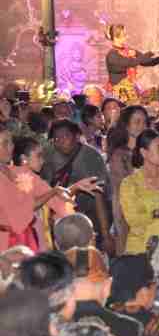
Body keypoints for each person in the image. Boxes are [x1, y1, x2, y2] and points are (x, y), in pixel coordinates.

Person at [6, 133, 94, 253]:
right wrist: (72, 189)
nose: (43, 160)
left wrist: (71, 188)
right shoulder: (28, 177)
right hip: (28, 238)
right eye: (39, 156)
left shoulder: (9, 172)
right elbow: (58, 203)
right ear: (24, 159)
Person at [41, 119, 114, 254]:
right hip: (60, 218)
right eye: (56, 138)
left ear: (76, 136)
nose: (61, 141)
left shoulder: (91, 156)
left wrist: (106, 235)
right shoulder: (48, 154)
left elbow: (98, 195)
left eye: (66, 136)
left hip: (91, 218)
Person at [118, 129, 159, 255]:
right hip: (141, 248)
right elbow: (133, 220)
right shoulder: (130, 183)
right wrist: (158, 212)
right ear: (144, 152)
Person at [107, 105, 149, 254]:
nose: (142, 126)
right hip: (127, 211)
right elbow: (122, 188)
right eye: (137, 122)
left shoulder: (150, 151)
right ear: (126, 125)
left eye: (144, 122)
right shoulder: (120, 155)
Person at [104, 23, 159, 104]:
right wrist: (152, 52)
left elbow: (148, 62)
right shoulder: (112, 55)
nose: (127, 36)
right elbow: (131, 63)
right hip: (119, 91)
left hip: (130, 89)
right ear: (116, 37)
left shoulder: (129, 50)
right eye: (124, 34)